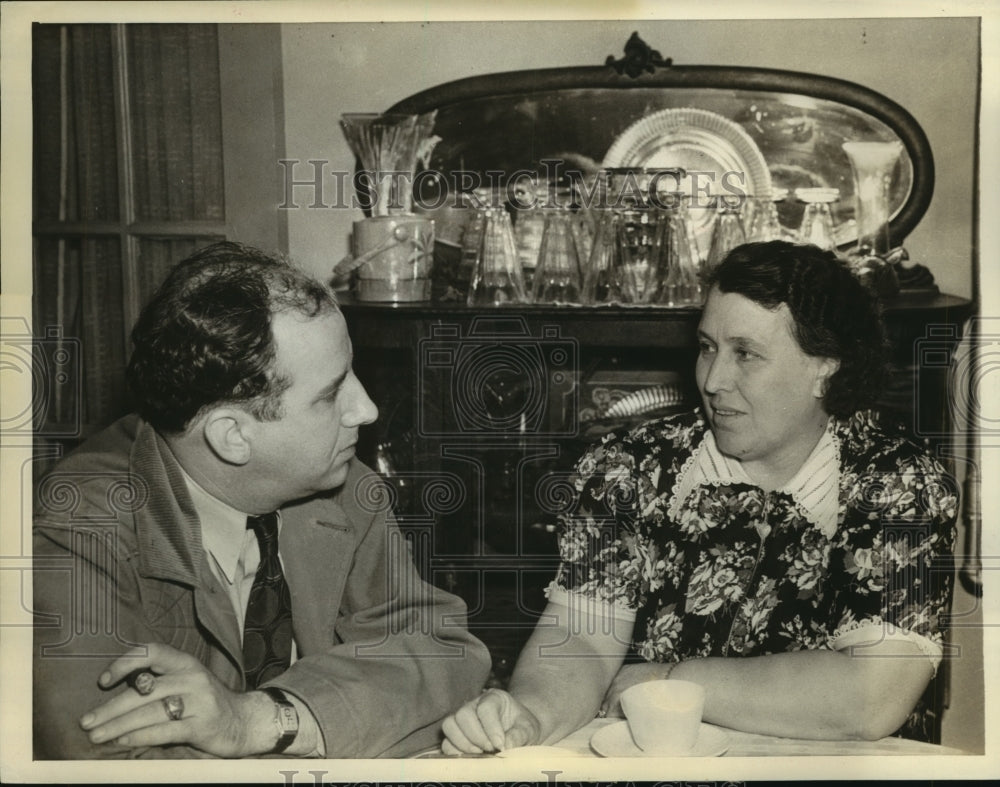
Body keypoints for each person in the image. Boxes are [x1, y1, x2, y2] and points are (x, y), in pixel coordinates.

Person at [442, 240, 957, 754]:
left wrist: (671, 680)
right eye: (707, 347)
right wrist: (530, 715)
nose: (712, 380)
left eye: (746, 354)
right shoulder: (631, 467)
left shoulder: (900, 484)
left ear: (824, 366)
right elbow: (582, 642)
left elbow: (871, 698)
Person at [32, 241, 491, 759]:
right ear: (232, 436)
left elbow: (447, 655)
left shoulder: (344, 488)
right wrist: (357, 713)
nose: (366, 408)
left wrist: (258, 719)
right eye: (330, 393)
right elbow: (109, 765)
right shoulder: (74, 531)